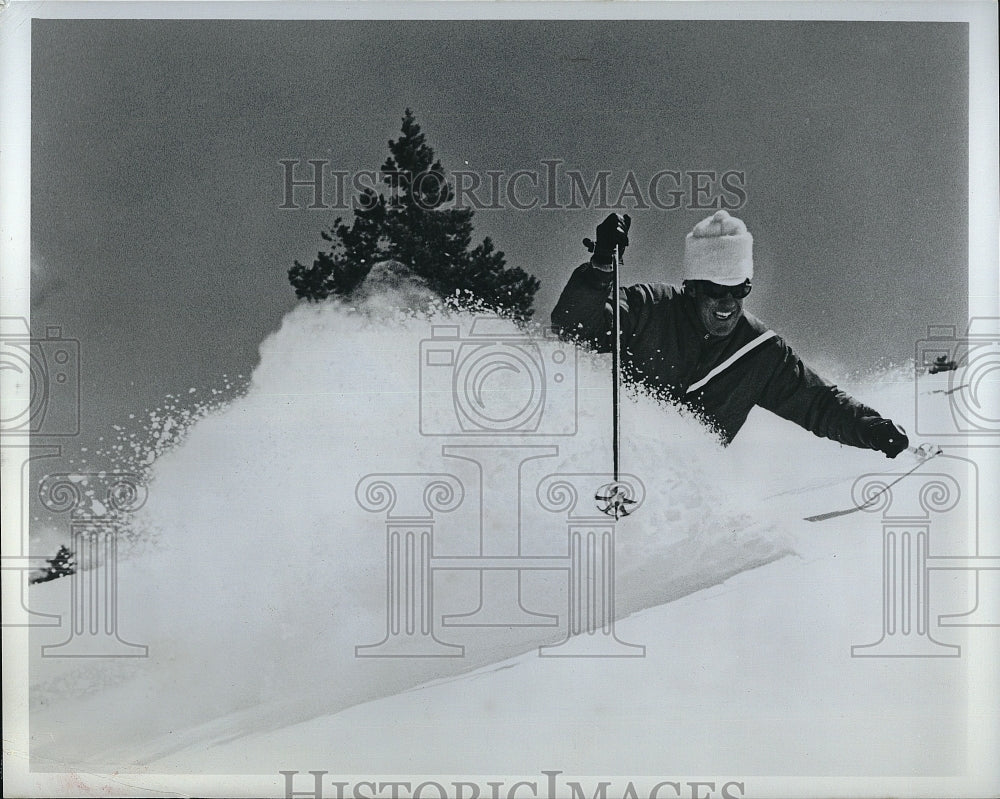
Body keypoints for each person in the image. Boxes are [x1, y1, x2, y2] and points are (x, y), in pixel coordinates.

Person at [551, 210, 909, 457]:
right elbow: (576, 329)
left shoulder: (760, 352)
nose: (728, 302)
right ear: (692, 287)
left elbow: (817, 402)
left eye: (739, 289)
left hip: (682, 483)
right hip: (616, 458)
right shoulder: (650, 307)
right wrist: (599, 268)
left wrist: (871, 428)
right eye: (716, 289)